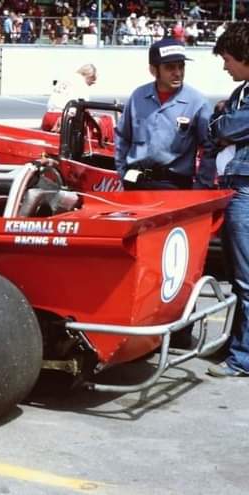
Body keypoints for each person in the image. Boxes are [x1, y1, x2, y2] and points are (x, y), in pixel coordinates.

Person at [206, 23, 249, 377]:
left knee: (246, 278)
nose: (225, 67)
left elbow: (224, 129)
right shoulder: (241, 92)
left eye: (227, 60)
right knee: (237, 276)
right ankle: (238, 343)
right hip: (236, 184)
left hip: (246, 188)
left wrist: (221, 121)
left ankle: (243, 356)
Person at [114, 39, 214, 190]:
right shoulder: (138, 96)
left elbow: (210, 147)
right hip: (134, 182)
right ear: (154, 70)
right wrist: (122, 172)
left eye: (181, 67)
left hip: (174, 186)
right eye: (170, 67)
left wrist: (201, 186)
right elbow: (122, 137)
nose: (178, 73)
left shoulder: (198, 103)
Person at [42, 63, 97, 132]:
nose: (92, 84)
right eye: (92, 81)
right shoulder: (82, 83)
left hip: (48, 117)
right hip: (62, 119)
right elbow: (84, 106)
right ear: (90, 76)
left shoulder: (66, 79)